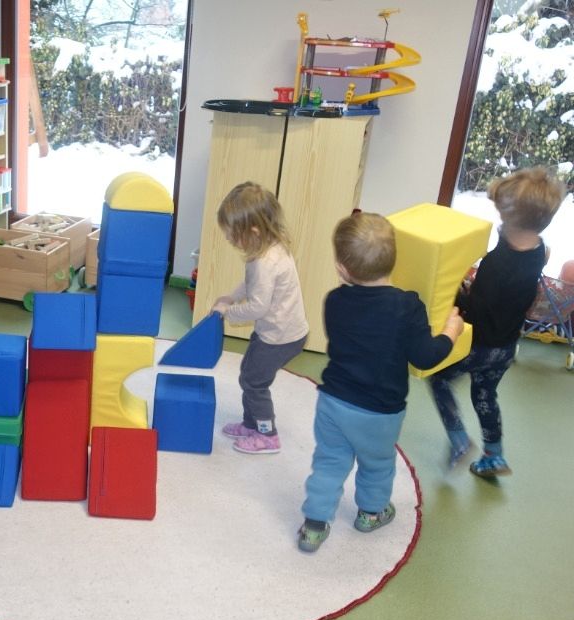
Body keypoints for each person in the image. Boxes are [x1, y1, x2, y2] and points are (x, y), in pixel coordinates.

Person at [299, 212, 463, 553]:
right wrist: (451, 332)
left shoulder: (335, 300)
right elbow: (425, 356)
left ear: (342, 268)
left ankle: (314, 525)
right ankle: (371, 514)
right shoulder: (408, 306)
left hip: (333, 402)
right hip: (379, 412)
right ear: (394, 260)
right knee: (377, 464)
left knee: (329, 461)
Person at [428, 167, 565, 478]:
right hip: (505, 348)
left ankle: (459, 440)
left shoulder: (496, 264)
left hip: (479, 345)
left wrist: (456, 291)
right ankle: (494, 454)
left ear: (509, 216)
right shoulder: (539, 250)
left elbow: (477, 310)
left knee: (439, 379)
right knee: (485, 394)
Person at [210, 182, 309, 454]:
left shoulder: (265, 262)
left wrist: (227, 312)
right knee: (249, 374)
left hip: (280, 337)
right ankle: (251, 424)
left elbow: (257, 307)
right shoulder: (267, 249)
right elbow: (251, 284)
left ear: (253, 231)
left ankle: (268, 435)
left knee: (254, 382)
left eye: (232, 234)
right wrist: (231, 297)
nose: (228, 239)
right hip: (277, 330)